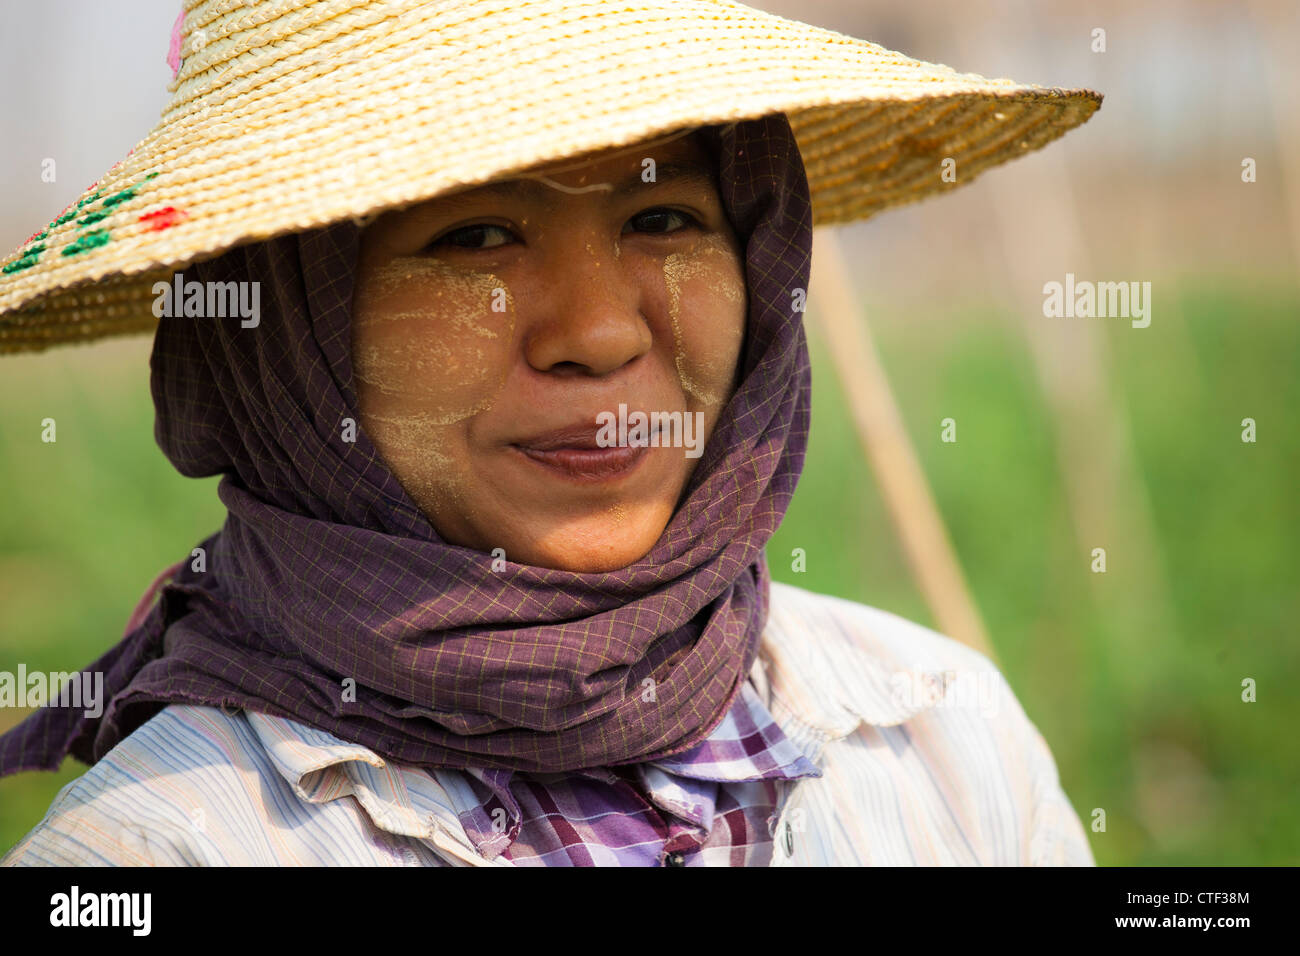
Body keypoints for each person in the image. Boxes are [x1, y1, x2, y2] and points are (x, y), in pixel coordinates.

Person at [0, 0, 1101, 866]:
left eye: (663, 217)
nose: (600, 330)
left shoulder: (940, 737)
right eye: (476, 234)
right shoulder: (162, 848)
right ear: (286, 342)